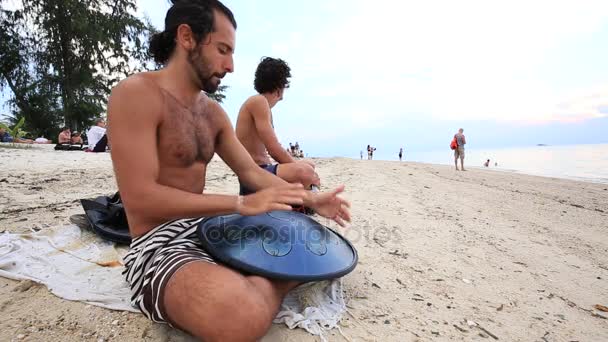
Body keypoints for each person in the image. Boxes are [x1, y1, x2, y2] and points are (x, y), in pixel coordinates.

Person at [106, 2, 350, 341]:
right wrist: (236, 205)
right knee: (239, 317)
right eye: (223, 50)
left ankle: (265, 275)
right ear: (187, 37)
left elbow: (252, 172)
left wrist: (313, 199)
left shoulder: (213, 113)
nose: (231, 66)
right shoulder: (135, 95)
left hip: (212, 228)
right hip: (159, 242)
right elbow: (142, 199)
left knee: (310, 240)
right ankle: (277, 277)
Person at [235, 57, 319, 195]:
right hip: (254, 177)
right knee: (306, 171)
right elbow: (274, 149)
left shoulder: (258, 103)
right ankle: (306, 199)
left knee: (309, 165)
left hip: (261, 172)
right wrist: (298, 168)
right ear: (279, 89)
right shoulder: (259, 101)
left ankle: (301, 198)